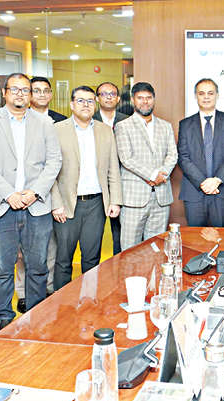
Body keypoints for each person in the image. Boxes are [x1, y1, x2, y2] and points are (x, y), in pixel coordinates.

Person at [0, 72, 60, 326]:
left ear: (31, 95)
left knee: (38, 267)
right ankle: (4, 319)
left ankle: (36, 317)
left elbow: (54, 161)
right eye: (14, 89)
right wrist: (8, 194)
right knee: (2, 269)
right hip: (0, 207)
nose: (20, 94)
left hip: (37, 206)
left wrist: (34, 192)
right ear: (4, 93)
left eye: (25, 90)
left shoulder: (45, 123)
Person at [51, 86, 121, 294]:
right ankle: (63, 304)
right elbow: (50, 171)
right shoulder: (57, 130)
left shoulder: (105, 130)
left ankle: (89, 300)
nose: (86, 105)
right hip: (66, 205)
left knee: (92, 258)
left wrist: (115, 200)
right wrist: (56, 204)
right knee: (63, 259)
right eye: (80, 101)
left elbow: (113, 168)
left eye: (90, 101)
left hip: (96, 204)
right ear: (72, 104)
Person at [115, 82, 177, 248]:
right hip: (134, 198)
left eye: (148, 98)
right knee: (129, 249)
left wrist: (161, 175)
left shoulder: (166, 126)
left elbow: (173, 154)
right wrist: (152, 175)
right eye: (140, 98)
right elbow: (126, 158)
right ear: (133, 100)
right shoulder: (123, 126)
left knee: (156, 248)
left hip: (161, 197)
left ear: (154, 99)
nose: (145, 102)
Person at [177, 79, 224, 227]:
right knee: (194, 238)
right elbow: (183, 157)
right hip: (194, 190)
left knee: (223, 236)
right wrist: (203, 182)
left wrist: (216, 180)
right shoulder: (185, 124)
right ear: (196, 96)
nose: (206, 97)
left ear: (217, 95)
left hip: (222, 189)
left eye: (210, 93)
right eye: (201, 93)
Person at [94, 81, 130, 255]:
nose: (108, 97)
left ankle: (118, 265)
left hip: (121, 182)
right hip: (96, 184)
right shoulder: (89, 119)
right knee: (93, 235)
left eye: (112, 94)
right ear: (97, 98)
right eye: (104, 94)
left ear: (118, 99)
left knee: (120, 232)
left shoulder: (128, 120)